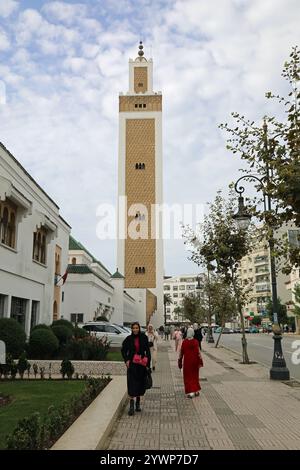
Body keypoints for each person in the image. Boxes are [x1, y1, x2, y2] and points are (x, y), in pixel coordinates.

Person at [121, 322, 151, 416]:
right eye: (133, 328)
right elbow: (123, 350)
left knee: (139, 383)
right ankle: (131, 405)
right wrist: (126, 360)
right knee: (131, 383)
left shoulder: (144, 337)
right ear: (131, 329)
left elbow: (148, 351)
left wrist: (147, 364)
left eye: (136, 328)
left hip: (141, 364)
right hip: (132, 365)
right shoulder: (128, 339)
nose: (135, 329)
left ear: (139, 328)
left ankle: (138, 403)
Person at [178, 327, 202, 398]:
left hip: (187, 362)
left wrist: (179, 361)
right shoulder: (196, 342)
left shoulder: (184, 342)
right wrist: (200, 361)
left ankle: (191, 392)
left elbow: (181, 353)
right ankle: (196, 390)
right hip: (195, 362)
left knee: (188, 377)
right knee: (195, 376)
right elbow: (198, 353)